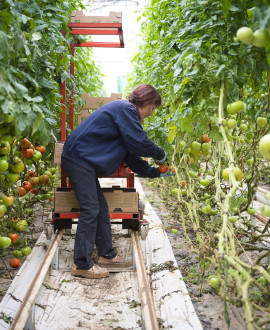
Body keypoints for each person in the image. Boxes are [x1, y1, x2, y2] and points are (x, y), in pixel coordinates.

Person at [61, 84, 172, 279]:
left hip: (82, 160)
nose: (151, 114)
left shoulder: (125, 118)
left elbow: (132, 157)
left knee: (100, 207)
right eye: (152, 108)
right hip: (78, 159)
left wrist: (155, 172)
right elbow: (139, 142)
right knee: (91, 208)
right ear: (145, 101)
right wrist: (159, 153)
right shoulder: (126, 109)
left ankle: (107, 256)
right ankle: (82, 265)